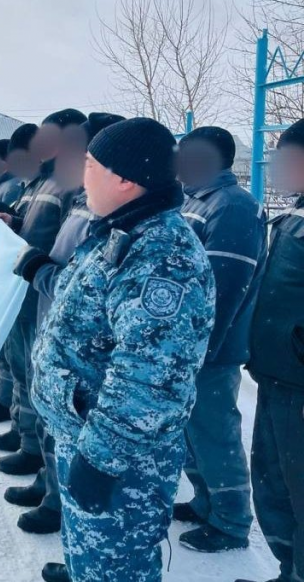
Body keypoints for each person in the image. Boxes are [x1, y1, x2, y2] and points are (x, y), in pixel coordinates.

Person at [28, 117, 215, 582]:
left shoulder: (162, 256)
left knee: (117, 568)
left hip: (119, 457)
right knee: (91, 556)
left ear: (126, 180)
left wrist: (102, 460)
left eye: (91, 163)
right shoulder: (121, 231)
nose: (81, 171)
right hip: (87, 432)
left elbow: (150, 377)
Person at [8, 112, 125, 544]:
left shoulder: (118, 218)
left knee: (76, 435)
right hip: (53, 328)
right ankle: (51, 483)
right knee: (50, 418)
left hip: (83, 349)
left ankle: (64, 506)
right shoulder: (82, 198)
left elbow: (82, 284)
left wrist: (39, 269)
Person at [172, 126, 265, 554]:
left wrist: (202, 349)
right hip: (188, 344)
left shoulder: (233, 206)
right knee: (192, 432)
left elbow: (226, 287)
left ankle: (230, 522)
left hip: (212, 347)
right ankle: (205, 500)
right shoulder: (194, 198)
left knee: (215, 433)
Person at [0, 109, 86, 477]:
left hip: (48, 297)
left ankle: (48, 472)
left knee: (47, 388)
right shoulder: (42, 182)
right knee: (24, 373)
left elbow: (70, 245)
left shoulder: (75, 186)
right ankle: (29, 443)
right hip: (28, 292)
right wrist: (12, 223)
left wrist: (41, 267)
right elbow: (44, 231)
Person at [237, 118, 304, 582]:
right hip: (275, 376)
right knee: (275, 487)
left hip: (298, 385)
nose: (279, 168)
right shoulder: (292, 217)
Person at [0, 124, 39, 428]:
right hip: (15, 279)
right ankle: (15, 418)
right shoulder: (30, 186)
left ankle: (28, 437)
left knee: (29, 366)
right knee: (13, 356)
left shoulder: (31, 186)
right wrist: (12, 220)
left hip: (35, 288)